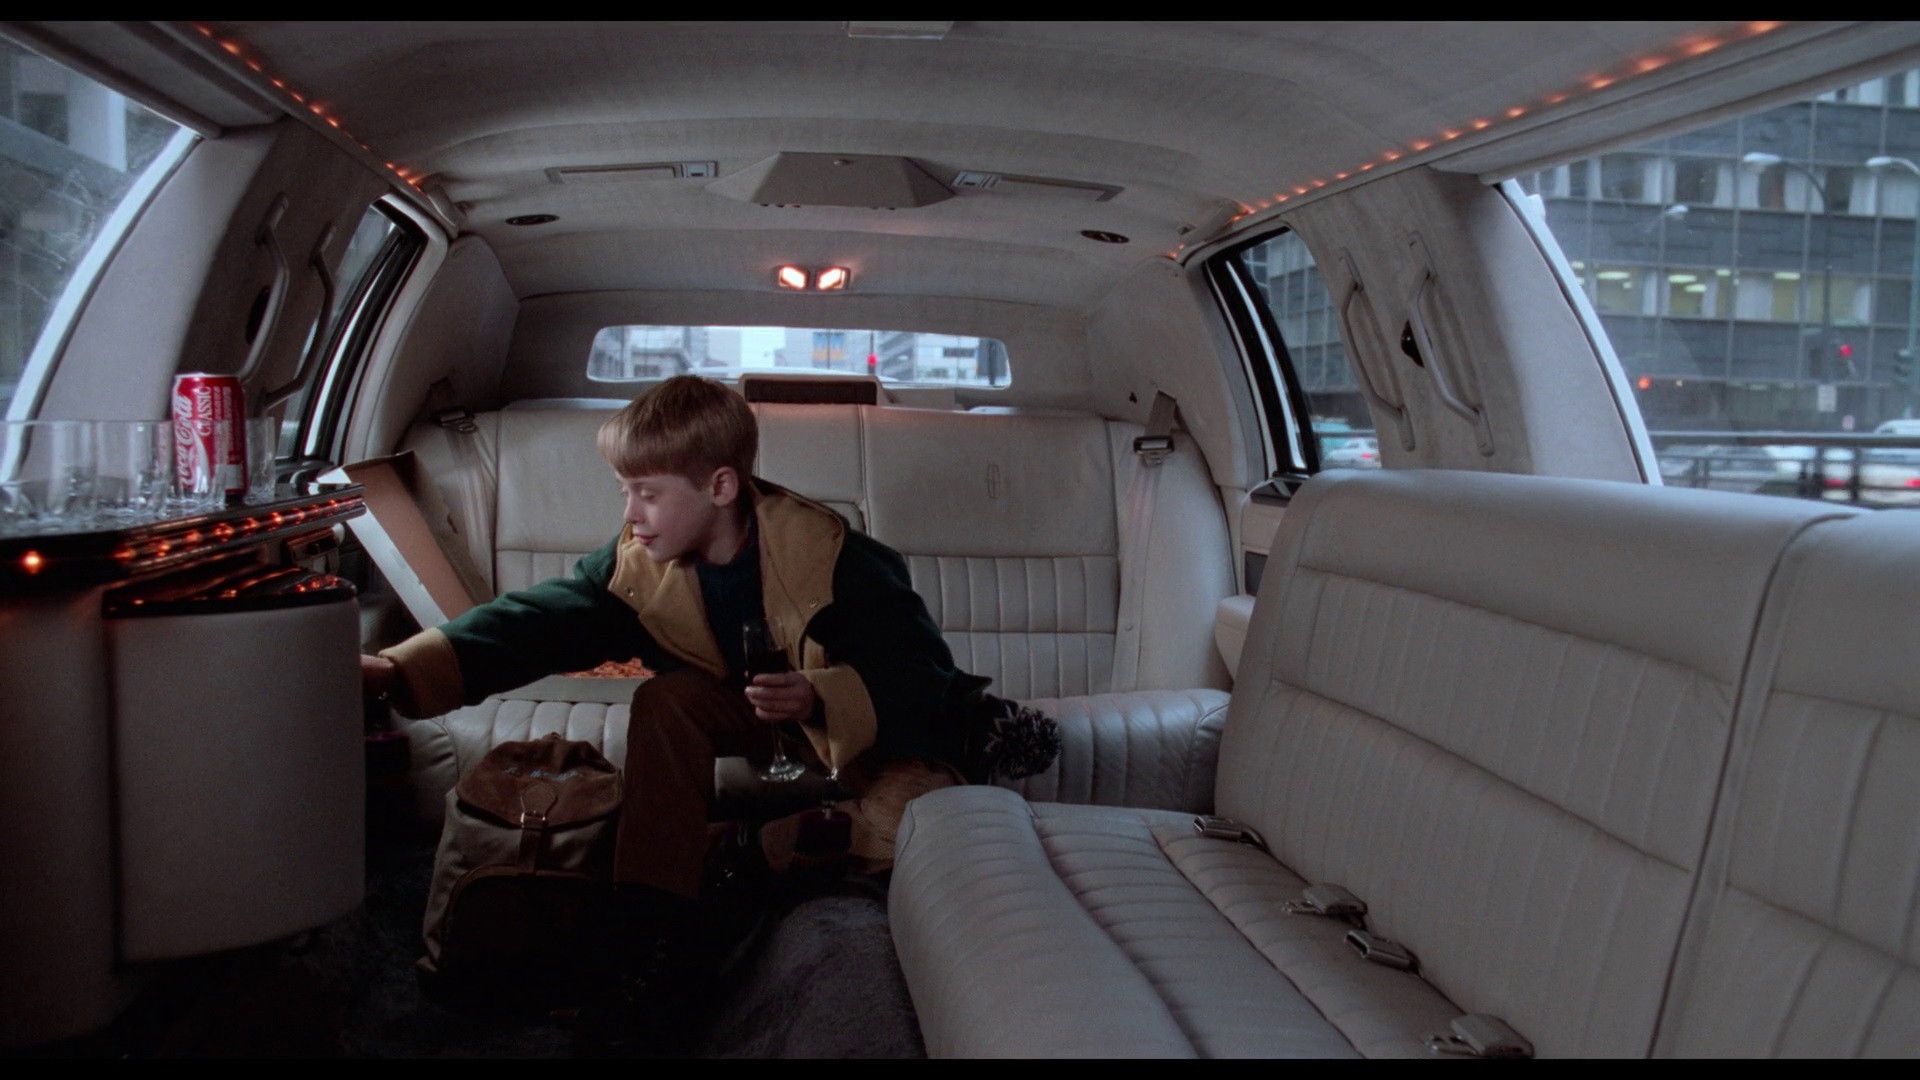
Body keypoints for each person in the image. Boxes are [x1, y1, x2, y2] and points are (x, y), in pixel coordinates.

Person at [360, 374, 1022, 1051]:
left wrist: (820, 693)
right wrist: (401, 670)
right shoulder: (638, 568)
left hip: (877, 741)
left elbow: (923, 674)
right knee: (668, 701)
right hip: (760, 720)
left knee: (909, 825)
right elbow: (537, 622)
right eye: (625, 493)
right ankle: (652, 929)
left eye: (647, 494)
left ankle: (750, 849)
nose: (631, 514)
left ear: (721, 487)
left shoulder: (838, 560)